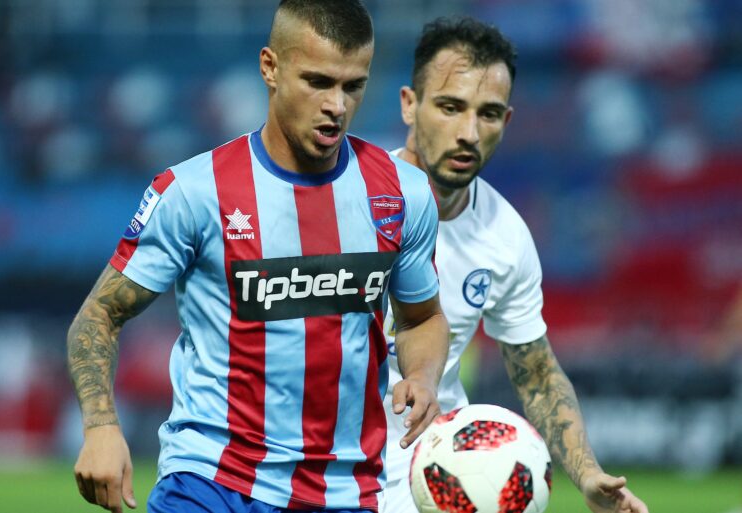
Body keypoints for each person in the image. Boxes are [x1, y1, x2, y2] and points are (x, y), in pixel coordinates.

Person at [67, 2, 450, 513]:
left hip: (342, 491)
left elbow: (422, 317)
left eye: (352, 86)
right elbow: (98, 315)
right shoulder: (194, 192)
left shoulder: (404, 194)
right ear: (270, 67)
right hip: (209, 481)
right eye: (317, 82)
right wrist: (100, 427)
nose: (336, 105)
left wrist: (422, 376)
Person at [380, 17, 650, 513]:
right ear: (409, 104)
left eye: (487, 114)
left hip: (434, 478)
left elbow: (537, 373)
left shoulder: (505, 235)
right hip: (323, 467)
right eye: (450, 107)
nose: (468, 133)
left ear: (506, 122)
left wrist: (587, 473)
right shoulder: (347, 198)